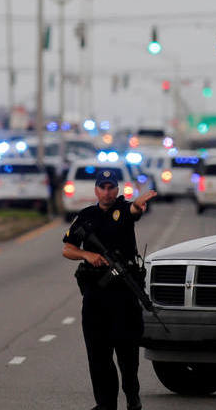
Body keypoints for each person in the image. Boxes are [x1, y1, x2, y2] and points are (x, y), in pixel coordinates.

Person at [62, 169, 157, 410]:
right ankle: (105, 404)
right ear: (96, 190)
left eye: (111, 187)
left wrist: (138, 205)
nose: (107, 192)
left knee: (127, 353)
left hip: (124, 294)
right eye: (102, 187)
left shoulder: (123, 210)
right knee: (98, 354)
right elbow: (67, 248)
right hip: (95, 295)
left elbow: (134, 211)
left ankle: (132, 397)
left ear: (117, 189)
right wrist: (87, 254)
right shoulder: (86, 216)